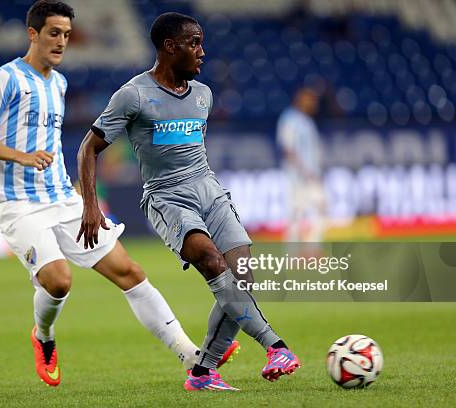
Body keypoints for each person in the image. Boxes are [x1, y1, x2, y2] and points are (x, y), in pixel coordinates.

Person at [0, 0, 237, 388]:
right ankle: (43, 337)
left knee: (130, 272)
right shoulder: (5, 78)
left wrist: (83, 196)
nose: (61, 42)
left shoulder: (58, 82)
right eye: (53, 33)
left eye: (66, 35)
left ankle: (190, 354)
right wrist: (21, 157)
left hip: (62, 197)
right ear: (33, 34)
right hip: (21, 204)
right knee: (59, 281)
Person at [78, 12, 301, 391]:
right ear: (170, 46)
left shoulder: (203, 95)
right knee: (212, 262)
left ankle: (202, 373)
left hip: (208, 189)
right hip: (167, 197)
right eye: (194, 43)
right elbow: (89, 147)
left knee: (242, 274)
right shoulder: (134, 94)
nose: (203, 52)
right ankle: (274, 345)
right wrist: (90, 204)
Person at [277, 87, 326, 243]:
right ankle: (295, 249)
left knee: (316, 209)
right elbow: (288, 148)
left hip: (310, 174)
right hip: (298, 176)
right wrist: (303, 170)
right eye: (311, 100)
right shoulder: (290, 119)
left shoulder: (306, 120)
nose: (314, 105)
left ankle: (311, 247)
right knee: (298, 212)